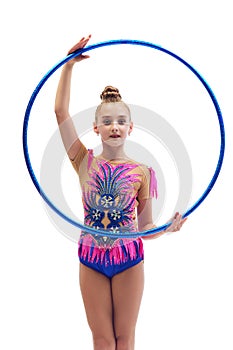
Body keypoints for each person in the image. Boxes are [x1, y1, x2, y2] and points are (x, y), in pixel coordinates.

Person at [55, 35, 187, 350]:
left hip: (128, 259)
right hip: (91, 258)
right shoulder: (83, 160)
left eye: (121, 121)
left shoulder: (142, 172)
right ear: (96, 127)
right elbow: (60, 112)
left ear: (131, 127)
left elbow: (144, 228)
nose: (115, 126)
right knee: (102, 341)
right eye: (107, 121)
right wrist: (68, 67)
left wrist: (166, 229)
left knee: (124, 340)